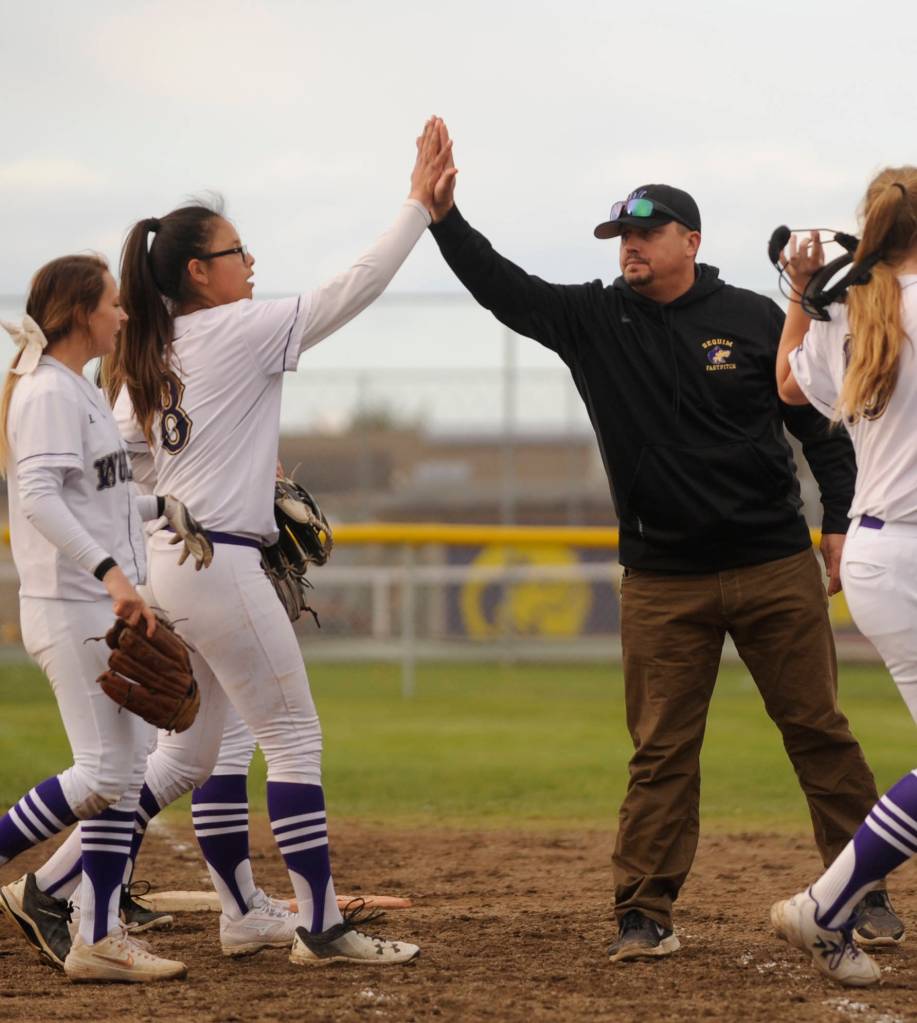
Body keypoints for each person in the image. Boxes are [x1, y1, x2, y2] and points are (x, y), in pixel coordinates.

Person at [424, 158, 904, 959]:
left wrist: (836, 524)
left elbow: (818, 431)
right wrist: (445, 220)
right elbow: (503, 288)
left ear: (691, 240)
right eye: (621, 236)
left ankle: (861, 890)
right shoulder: (592, 320)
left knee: (818, 730)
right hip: (660, 578)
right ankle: (643, 912)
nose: (629, 248)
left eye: (645, 234)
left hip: (772, 562)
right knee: (660, 751)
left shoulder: (753, 317)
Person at [92, 115, 455, 967]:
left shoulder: (156, 347)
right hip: (220, 563)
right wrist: (416, 207)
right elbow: (354, 286)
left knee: (203, 746)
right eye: (236, 251)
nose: (249, 263)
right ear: (197, 272)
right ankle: (320, 925)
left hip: (178, 562)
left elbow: (122, 460)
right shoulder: (234, 329)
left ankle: (196, 903)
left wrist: (164, 511)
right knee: (293, 738)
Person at [0, 255, 208, 981]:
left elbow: (96, 498)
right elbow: (38, 498)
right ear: (81, 312)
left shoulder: (75, 389)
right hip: (72, 603)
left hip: (96, 603)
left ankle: (95, 936)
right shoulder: (49, 392)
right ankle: (69, 913)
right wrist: (112, 573)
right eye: (114, 304)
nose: (124, 315)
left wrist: (163, 508)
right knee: (100, 772)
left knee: (120, 776)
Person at [771, 167, 917, 986]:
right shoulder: (866, 304)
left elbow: (786, 382)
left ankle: (823, 905)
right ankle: (824, 905)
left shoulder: (849, 308)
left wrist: (801, 290)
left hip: (876, 552)